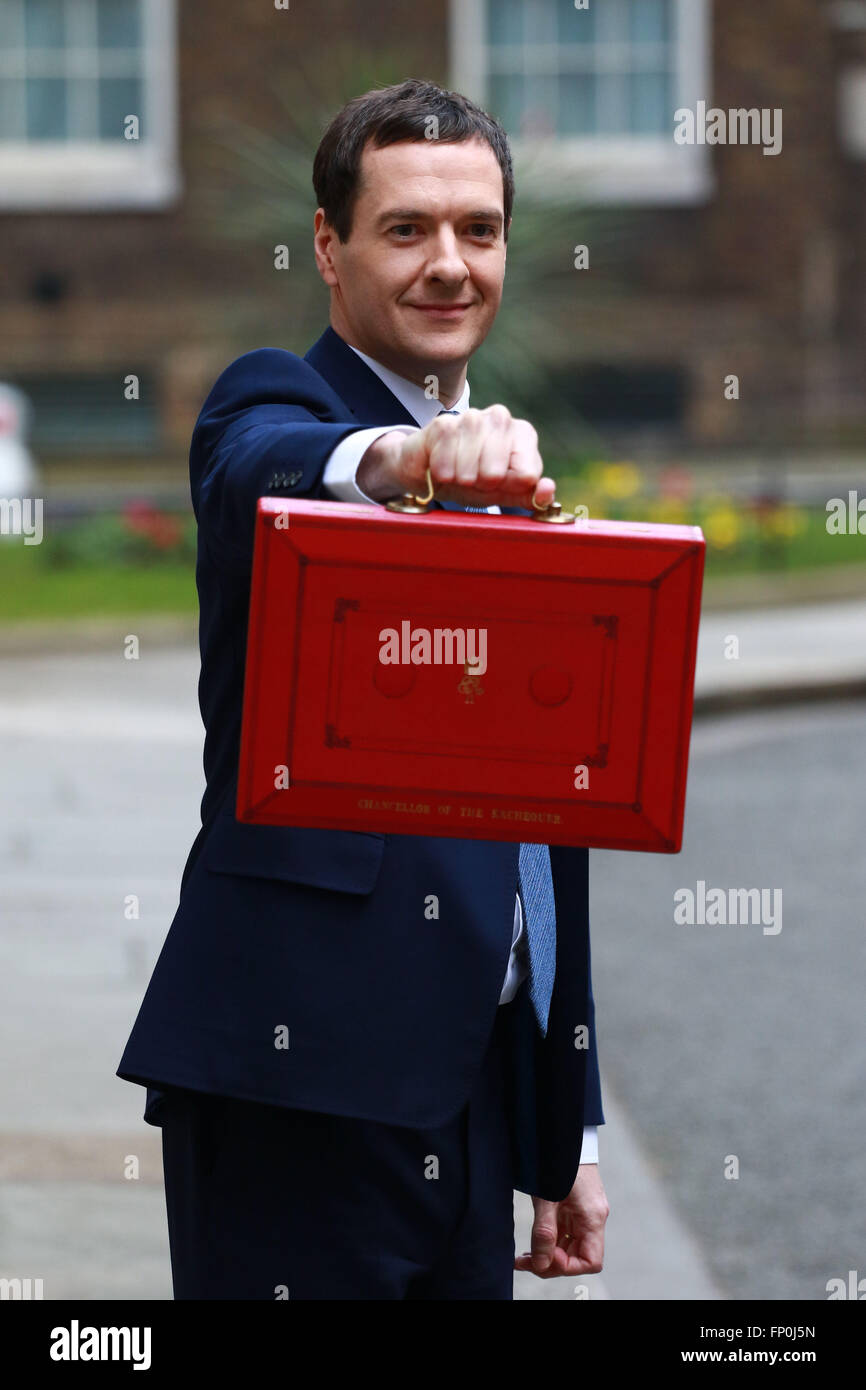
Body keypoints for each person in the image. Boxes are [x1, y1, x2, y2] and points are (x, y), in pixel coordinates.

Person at [117, 78, 609, 1301]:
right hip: (299, 1091)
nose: (449, 265)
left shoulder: (510, 466)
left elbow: (547, 829)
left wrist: (571, 1125)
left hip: (474, 1100)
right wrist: (401, 458)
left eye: (478, 232)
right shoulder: (274, 407)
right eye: (406, 230)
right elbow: (259, 471)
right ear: (329, 247)